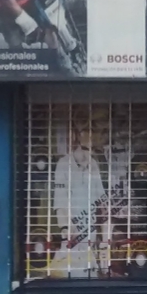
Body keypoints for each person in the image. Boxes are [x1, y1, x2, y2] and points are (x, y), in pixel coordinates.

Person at [50, 109, 108, 278]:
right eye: (87, 131)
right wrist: (66, 228)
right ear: (78, 135)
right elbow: (60, 203)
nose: (92, 136)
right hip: (72, 240)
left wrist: (105, 241)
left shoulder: (94, 164)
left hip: (90, 241)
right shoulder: (63, 165)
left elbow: (102, 204)